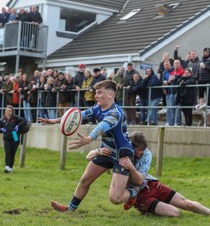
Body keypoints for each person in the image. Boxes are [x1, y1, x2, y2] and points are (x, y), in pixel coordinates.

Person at [38, 80, 142, 212]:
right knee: (85, 180)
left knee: (115, 198)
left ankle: (136, 190)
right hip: (106, 151)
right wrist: (56, 121)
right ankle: (69, 210)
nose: (96, 96)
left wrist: (89, 138)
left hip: (122, 155)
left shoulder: (116, 114)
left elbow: (102, 126)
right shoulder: (97, 108)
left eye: (99, 93)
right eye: (96, 93)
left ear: (111, 95)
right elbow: (78, 115)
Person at [87, 132, 210, 217]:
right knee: (175, 213)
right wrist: (99, 151)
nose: (141, 153)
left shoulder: (147, 154)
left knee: (187, 204)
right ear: (131, 147)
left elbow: (140, 180)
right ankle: (147, 206)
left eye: (143, 150)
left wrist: (131, 167)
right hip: (140, 196)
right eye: (139, 151)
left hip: (151, 184)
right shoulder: (121, 150)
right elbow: (89, 157)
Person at [0, 105, 27, 173]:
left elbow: (24, 121)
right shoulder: (2, 119)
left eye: (9, 111)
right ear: (5, 111)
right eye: (7, 111)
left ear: (12, 111)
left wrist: (18, 126)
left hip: (15, 135)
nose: (8, 112)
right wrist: (1, 129)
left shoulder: (16, 118)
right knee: (7, 152)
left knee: (13, 152)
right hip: (6, 136)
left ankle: (10, 166)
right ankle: (7, 166)